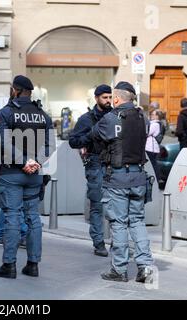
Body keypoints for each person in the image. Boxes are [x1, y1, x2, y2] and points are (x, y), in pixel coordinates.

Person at [0, 75, 54, 279]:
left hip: (12, 173)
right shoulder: (43, 115)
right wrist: (35, 161)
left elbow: (3, 143)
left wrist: (23, 160)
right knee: (33, 218)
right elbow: (50, 146)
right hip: (34, 174)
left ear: (15, 90)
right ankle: (33, 265)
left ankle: (9, 265)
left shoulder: (7, 113)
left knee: (12, 217)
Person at [92, 81, 154, 283]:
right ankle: (144, 267)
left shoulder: (110, 118)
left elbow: (94, 136)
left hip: (117, 177)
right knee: (137, 221)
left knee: (118, 223)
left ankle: (119, 269)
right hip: (139, 176)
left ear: (116, 98)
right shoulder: (142, 118)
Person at [69, 84, 113, 257]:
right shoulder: (87, 119)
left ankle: (118, 242)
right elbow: (73, 141)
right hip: (95, 163)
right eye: (105, 97)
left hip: (114, 164)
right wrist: (90, 136)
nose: (108, 101)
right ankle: (99, 242)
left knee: (117, 205)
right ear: (96, 98)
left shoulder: (115, 116)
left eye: (110, 97)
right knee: (97, 205)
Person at [145, 109, 162, 180]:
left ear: (157, 116)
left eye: (153, 114)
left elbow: (147, 132)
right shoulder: (152, 123)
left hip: (151, 148)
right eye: (151, 114)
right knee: (153, 164)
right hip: (150, 147)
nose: (151, 116)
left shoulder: (155, 124)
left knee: (153, 165)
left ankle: (157, 179)